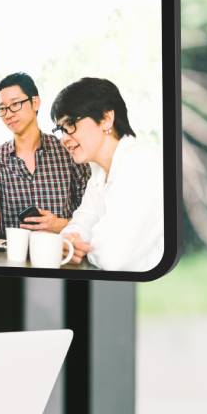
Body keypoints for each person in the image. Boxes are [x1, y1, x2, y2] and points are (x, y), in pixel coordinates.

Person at [51, 77, 164, 271]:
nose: (63, 139)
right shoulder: (98, 173)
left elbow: (113, 256)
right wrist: (69, 241)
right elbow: (79, 225)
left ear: (106, 119)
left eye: (70, 124)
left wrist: (78, 247)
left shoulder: (141, 163)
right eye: (61, 129)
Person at [0, 72, 90, 241]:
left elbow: (91, 215)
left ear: (35, 103)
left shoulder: (68, 150)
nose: (8, 114)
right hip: (12, 261)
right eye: (2, 108)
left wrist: (58, 224)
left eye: (15, 104)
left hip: (62, 256)